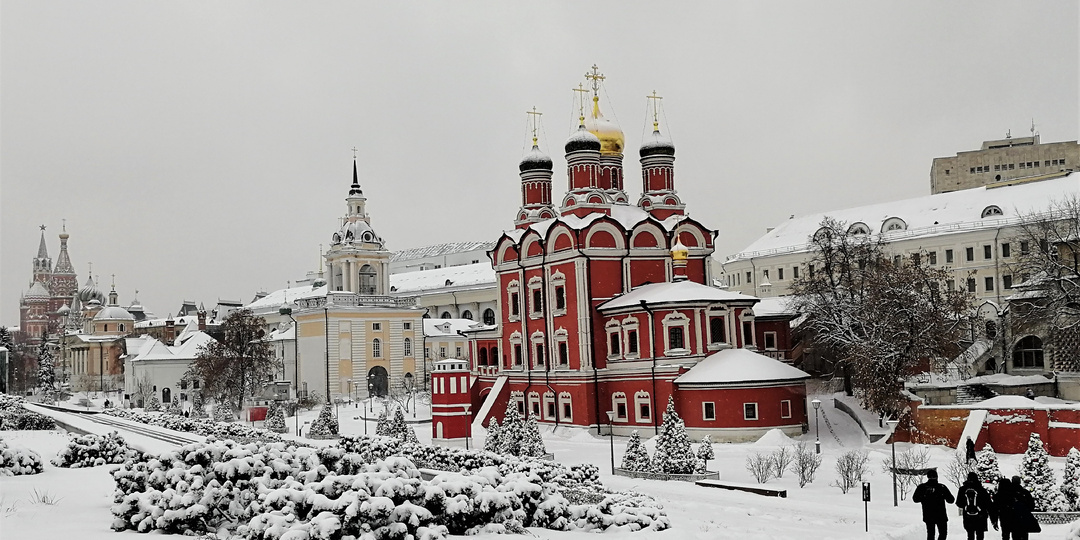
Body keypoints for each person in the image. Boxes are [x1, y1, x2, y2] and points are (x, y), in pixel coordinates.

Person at [913, 469, 955, 540]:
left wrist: (925, 497)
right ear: (937, 477)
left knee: (930, 534)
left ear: (927, 477)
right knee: (943, 533)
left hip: (928, 515)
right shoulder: (941, 487)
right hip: (941, 515)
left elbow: (915, 499)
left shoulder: (922, 487)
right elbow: (951, 500)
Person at [956, 472, 997, 540]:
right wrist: (993, 519)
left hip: (968, 517)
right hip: (981, 517)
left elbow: (959, 503)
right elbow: (989, 505)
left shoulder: (962, 489)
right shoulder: (981, 489)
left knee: (970, 536)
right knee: (980, 535)